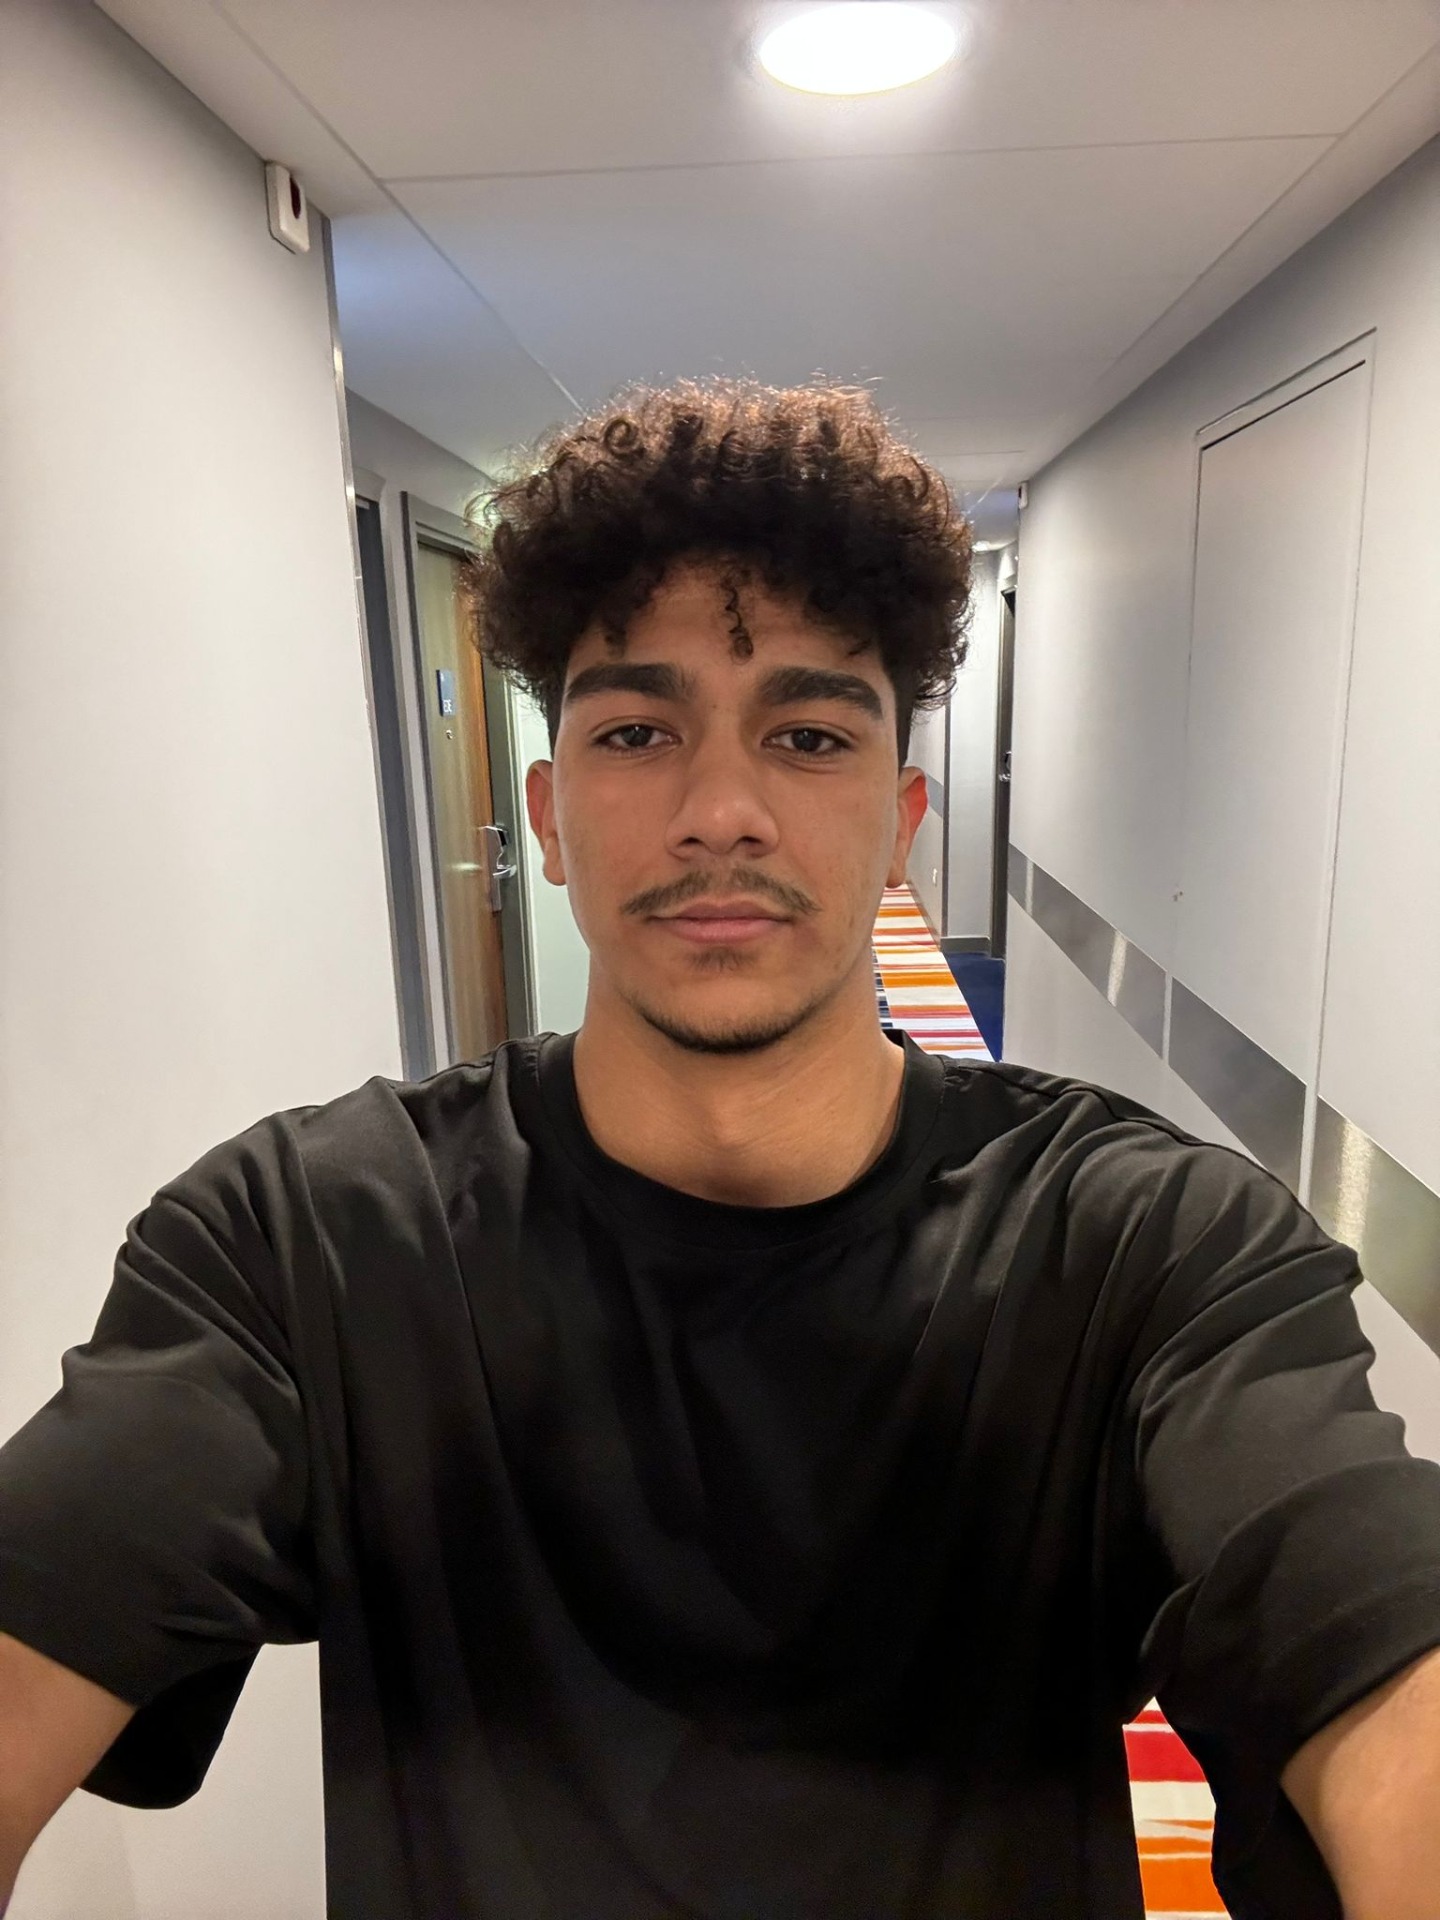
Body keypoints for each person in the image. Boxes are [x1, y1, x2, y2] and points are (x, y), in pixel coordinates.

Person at [1, 381, 1439, 1920]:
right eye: (638, 731)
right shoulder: (305, 1242)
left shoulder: (1146, 1244)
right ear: (550, 818)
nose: (722, 810)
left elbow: (1374, 1657)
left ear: (901, 821)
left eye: (807, 735)